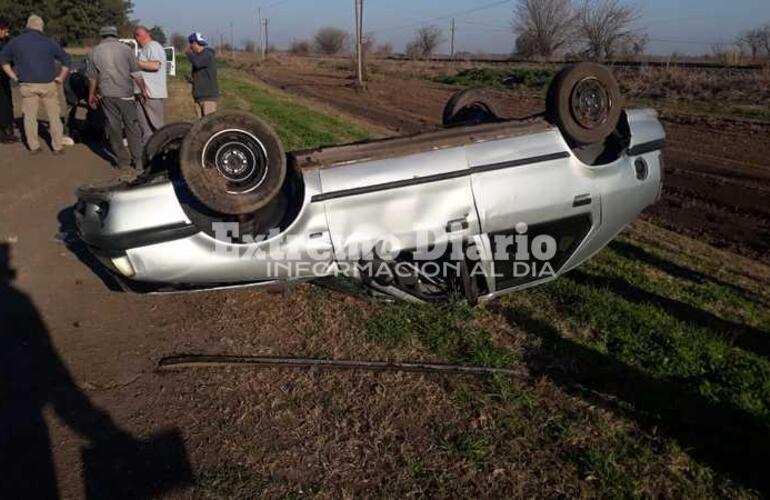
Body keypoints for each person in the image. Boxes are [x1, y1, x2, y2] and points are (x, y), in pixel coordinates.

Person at [0, 15, 70, 155]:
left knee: (30, 117)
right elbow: (66, 59)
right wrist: (61, 77)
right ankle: (57, 146)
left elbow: (3, 60)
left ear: (28, 26)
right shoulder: (48, 42)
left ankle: (34, 146)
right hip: (48, 83)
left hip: (27, 84)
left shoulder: (15, 42)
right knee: (54, 116)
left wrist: (13, 77)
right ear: (41, 27)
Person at [87, 26, 148, 171]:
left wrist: (91, 94)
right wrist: (143, 89)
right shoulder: (126, 50)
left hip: (107, 94)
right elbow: (136, 73)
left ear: (102, 36)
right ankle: (138, 161)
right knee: (132, 126)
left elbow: (92, 77)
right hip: (125, 94)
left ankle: (122, 161)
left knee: (114, 128)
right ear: (116, 35)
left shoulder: (95, 52)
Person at [133, 26, 167, 144]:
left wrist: (136, 63)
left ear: (139, 36)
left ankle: (165, 150)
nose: (136, 40)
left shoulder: (153, 46)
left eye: (136, 36)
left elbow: (155, 65)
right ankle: (147, 156)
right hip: (143, 93)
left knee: (157, 127)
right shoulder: (146, 48)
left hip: (152, 94)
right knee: (146, 129)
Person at [186, 32, 219, 117]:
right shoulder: (200, 56)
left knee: (209, 126)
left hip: (208, 98)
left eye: (191, 44)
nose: (190, 47)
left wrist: (188, 53)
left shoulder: (207, 54)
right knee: (201, 127)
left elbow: (198, 63)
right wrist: (192, 80)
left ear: (194, 43)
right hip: (199, 97)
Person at [0, 17, 16, 143]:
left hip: (4, 79)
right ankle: (4, 132)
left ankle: (7, 127)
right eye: (5, 29)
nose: (7, 32)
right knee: (4, 105)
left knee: (6, 103)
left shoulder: (6, 42)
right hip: (2, 78)